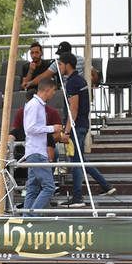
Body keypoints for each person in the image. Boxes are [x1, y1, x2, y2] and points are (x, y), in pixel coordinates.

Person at [58, 53, 115, 208]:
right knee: (80, 159)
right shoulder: (80, 80)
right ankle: (106, 185)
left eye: (60, 64)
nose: (59, 67)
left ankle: (78, 197)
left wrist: (67, 131)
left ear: (67, 64)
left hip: (76, 126)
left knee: (76, 162)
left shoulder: (72, 83)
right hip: (82, 125)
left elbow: (73, 109)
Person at [22, 79, 64, 214]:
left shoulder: (34, 104)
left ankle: (26, 217)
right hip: (37, 152)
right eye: (53, 90)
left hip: (34, 151)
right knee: (49, 187)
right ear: (47, 89)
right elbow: (30, 128)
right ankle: (33, 215)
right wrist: (52, 128)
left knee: (33, 188)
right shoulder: (35, 105)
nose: (54, 93)